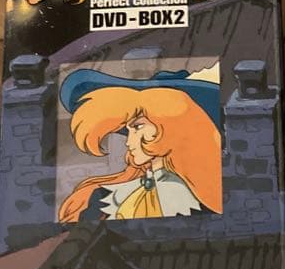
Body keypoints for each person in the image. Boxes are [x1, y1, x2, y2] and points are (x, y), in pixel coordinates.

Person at [57, 69, 223, 222]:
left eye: (137, 127)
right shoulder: (102, 198)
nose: (129, 142)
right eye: (128, 130)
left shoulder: (208, 201)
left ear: (169, 126)